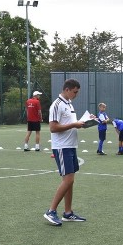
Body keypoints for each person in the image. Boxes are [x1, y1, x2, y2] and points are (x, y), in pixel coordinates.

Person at [44, 79, 89, 226]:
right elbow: (53, 128)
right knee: (68, 180)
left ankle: (68, 213)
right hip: (62, 147)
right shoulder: (57, 104)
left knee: (71, 180)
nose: (76, 94)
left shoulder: (68, 103)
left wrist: (84, 122)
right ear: (68, 89)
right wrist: (74, 124)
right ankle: (51, 211)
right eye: (75, 92)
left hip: (71, 146)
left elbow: (69, 125)